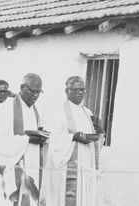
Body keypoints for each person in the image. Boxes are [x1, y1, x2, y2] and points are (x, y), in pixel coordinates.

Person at [42, 76, 105, 206]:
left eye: (83, 90)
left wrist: (100, 134)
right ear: (67, 91)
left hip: (86, 164)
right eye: (76, 89)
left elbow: (96, 138)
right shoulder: (57, 111)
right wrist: (72, 137)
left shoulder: (87, 112)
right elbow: (49, 137)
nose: (80, 93)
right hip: (67, 166)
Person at [0, 73, 47, 206]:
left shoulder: (36, 110)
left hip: (32, 165)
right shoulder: (6, 108)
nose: (35, 95)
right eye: (32, 91)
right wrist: (27, 139)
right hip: (11, 167)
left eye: (38, 92)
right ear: (22, 87)